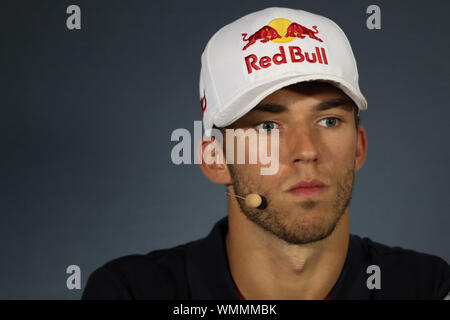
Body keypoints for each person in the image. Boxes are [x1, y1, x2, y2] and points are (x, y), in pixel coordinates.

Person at [82, 7, 450, 300]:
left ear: (359, 147)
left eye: (329, 121)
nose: (306, 151)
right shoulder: (132, 291)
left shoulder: (428, 287)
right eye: (267, 127)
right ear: (216, 159)